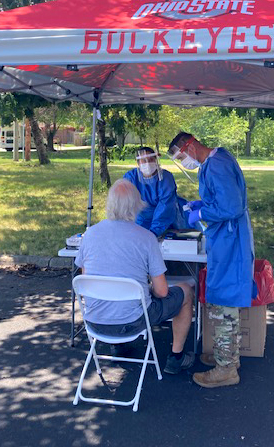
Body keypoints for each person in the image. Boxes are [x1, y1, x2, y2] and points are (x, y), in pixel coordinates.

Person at [75, 179, 194, 374]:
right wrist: (147, 289)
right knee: (186, 292)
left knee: (121, 295)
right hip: (133, 322)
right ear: (137, 206)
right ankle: (176, 357)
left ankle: (118, 346)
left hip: (95, 322)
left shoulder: (90, 235)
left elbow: (85, 279)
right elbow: (162, 292)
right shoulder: (146, 238)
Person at [168, 132, 257, 388]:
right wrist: (202, 203)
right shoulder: (217, 159)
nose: (184, 161)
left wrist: (201, 212)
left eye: (181, 156)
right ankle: (226, 355)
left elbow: (231, 207)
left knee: (223, 299)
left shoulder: (216, 166)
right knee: (221, 296)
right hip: (227, 238)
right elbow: (224, 199)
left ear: (189, 145)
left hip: (230, 241)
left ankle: (226, 369)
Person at [124, 147, 188, 237]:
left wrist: (154, 232)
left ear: (156, 160)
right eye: (143, 160)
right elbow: (123, 204)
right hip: (140, 217)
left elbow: (165, 206)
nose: (147, 163)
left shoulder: (166, 177)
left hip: (165, 220)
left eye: (151, 160)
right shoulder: (130, 178)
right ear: (137, 162)